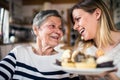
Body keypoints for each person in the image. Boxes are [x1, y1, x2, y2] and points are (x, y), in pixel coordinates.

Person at [0, 10, 79, 80]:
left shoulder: (66, 60)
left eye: (60, 28)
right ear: (36, 29)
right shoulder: (19, 53)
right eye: (52, 26)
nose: (59, 32)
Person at [70, 0, 120, 80]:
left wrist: (110, 75)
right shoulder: (82, 49)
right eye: (74, 22)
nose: (74, 27)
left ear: (97, 14)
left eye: (78, 19)